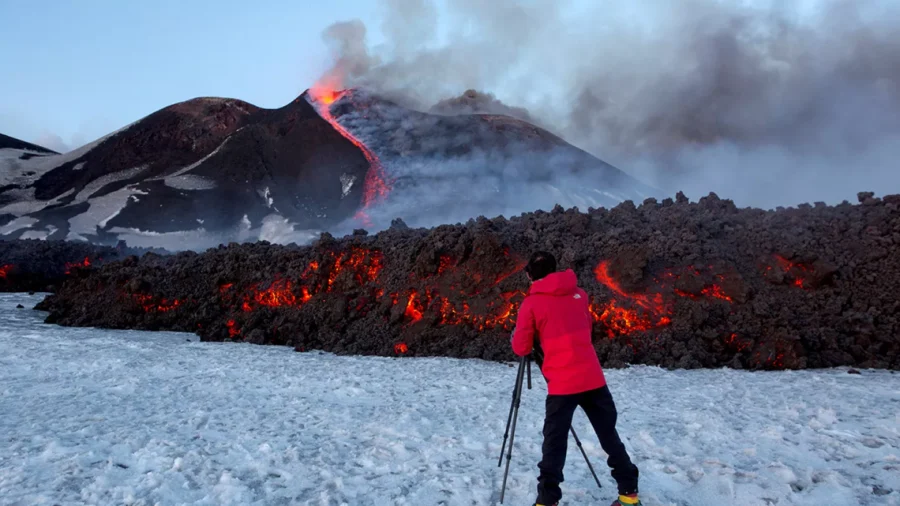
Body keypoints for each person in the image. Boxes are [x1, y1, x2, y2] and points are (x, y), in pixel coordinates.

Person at [511, 251, 641, 506]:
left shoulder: (531, 304)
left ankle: (547, 500)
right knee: (609, 436)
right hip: (593, 377)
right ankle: (629, 495)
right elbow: (585, 329)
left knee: (554, 444)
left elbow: (522, 348)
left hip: (562, 384)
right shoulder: (580, 295)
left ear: (529, 275)